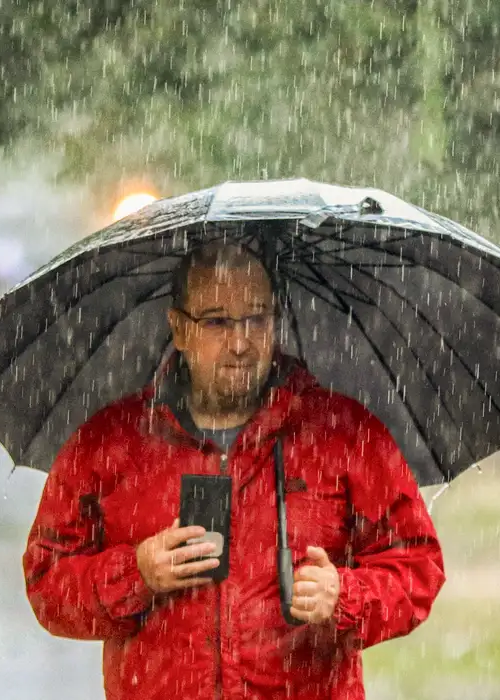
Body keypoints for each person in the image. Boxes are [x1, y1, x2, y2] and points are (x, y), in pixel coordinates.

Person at [23, 242, 446, 700]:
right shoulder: (109, 442)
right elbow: (48, 580)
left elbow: (417, 564)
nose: (241, 342)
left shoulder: (341, 433)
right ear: (180, 328)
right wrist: (136, 573)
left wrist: (345, 595)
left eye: (257, 318)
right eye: (217, 321)